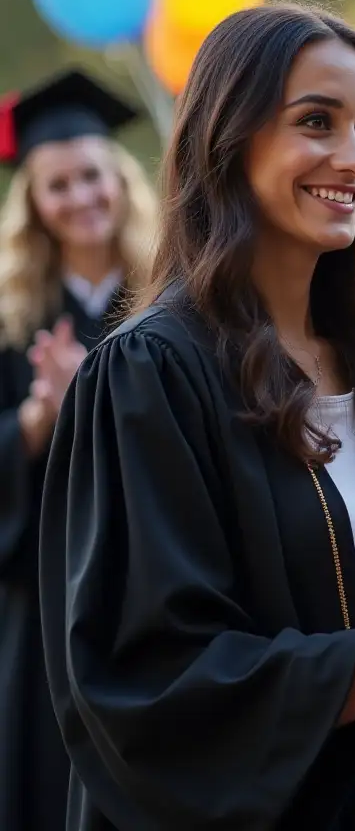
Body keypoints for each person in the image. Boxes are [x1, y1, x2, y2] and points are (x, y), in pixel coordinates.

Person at [39, 4, 355, 831]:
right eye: (315, 123)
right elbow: (152, 677)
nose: (354, 159)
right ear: (231, 138)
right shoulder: (152, 373)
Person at [0, 69, 157, 831]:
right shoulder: (11, 315)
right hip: (47, 588)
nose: (80, 196)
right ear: (34, 202)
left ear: (120, 181)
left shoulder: (169, 295)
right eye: (57, 185)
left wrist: (100, 411)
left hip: (152, 576)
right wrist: (31, 423)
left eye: (91, 175)